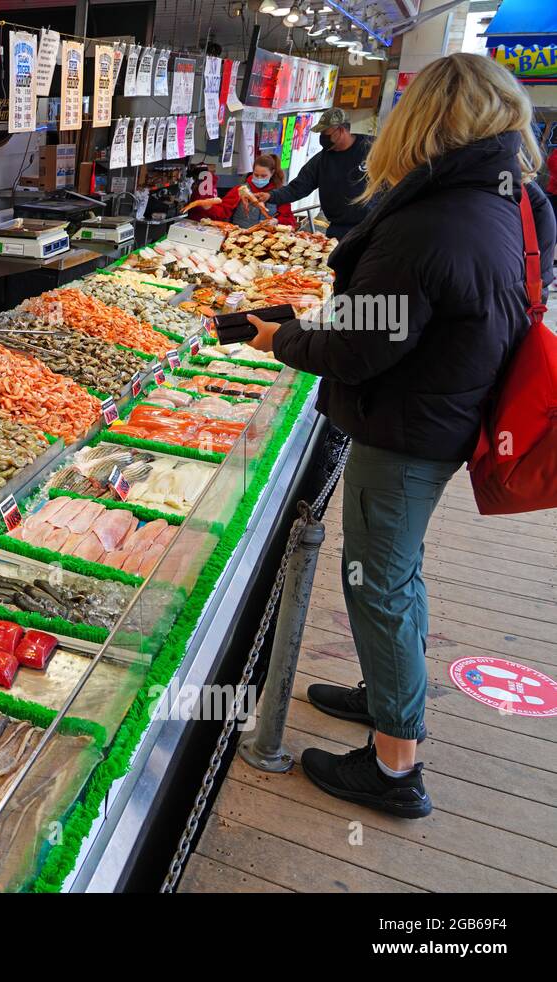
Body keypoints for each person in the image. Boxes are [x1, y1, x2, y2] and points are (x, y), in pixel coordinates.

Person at [245, 53, 556, 818]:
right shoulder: (518, 200)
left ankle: (394, 768)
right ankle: (387, 695)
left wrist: (273, 339)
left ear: (420, 125)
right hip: (452, 409)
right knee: (396, 573)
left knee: (377, 582)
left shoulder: (430, 221)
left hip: (410, 425)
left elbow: (360, 345)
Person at [253, 107, 373, 240]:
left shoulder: (372, 149)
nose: (323, 138)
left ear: (341, 130)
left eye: (325, 133)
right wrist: (270, 195)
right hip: (338, 229)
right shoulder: (322, 160)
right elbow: (297, 188)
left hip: (372, 227)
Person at [186, 153, 297, 228]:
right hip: (239, 236)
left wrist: (277, 221)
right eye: (256, 174)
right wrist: (209, 207)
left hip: (267, 239)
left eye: (263, 176)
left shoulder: (279, 194)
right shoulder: (240, 190)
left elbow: (290, 219)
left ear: (272, 173)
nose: (259, 178)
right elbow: (223, 210)